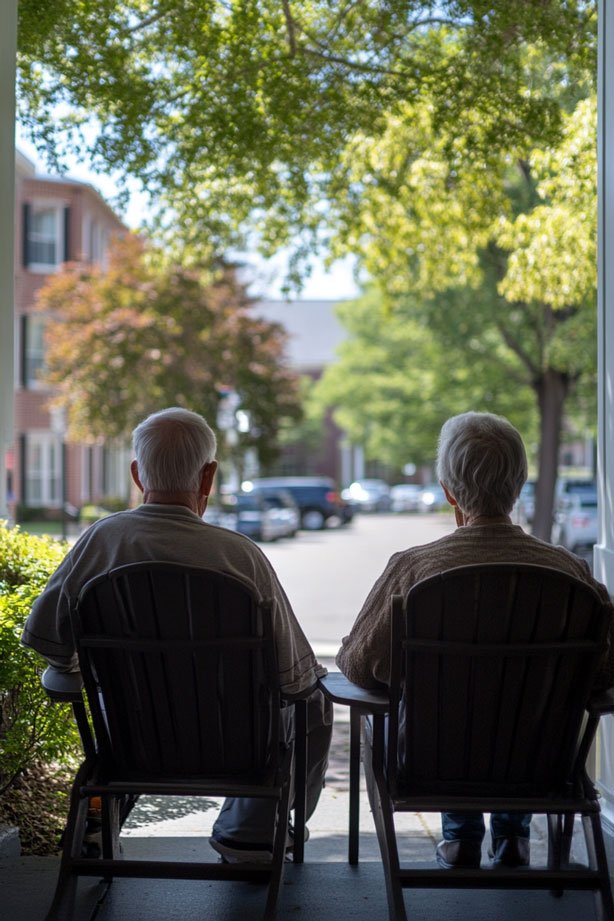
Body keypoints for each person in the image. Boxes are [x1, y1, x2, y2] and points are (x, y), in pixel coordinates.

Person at [22, 406, 332, 863]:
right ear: (207, 478)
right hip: (235, 745)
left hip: (131, 740)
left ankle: (97, 819)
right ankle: (250, 832)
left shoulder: (100, 542)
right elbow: (295, 678)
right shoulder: (240, 557)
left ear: (135, 473)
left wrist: (75, 669)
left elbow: (46, 637)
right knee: (314, 702)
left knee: (107, 703)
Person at [336, 411, 614, 871]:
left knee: (451, 703)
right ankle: (512, 839)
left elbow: (361, 667)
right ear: (520, 485)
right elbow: (604, 673)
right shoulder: (571, 574)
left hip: (429, 766)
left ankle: (461, 839)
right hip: (544, 768)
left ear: (448, 491)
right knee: (517, 703)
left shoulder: (414, 569)